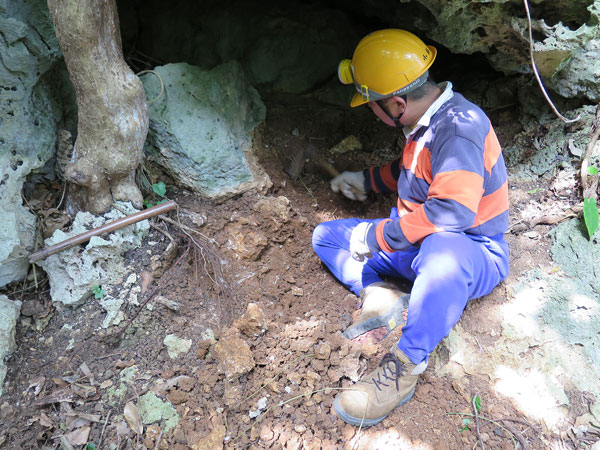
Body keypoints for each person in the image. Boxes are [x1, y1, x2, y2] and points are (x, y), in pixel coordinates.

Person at [312, 29, 510, 427]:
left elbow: (450, 214)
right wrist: (365, 180)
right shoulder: (424, 124)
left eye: (372, 103)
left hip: (468, 252)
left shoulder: (460, 128)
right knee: (327, 237)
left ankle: (405, 366)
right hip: (416, 243)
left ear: (397, 104)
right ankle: (383, 296)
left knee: (441, 253)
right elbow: (413, 172)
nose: (371, 110)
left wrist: (379, 236)